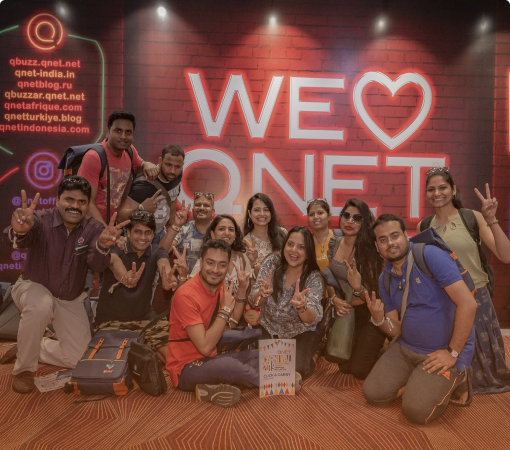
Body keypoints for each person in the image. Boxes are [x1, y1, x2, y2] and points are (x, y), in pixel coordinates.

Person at [2, 176, 127, 394]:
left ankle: (31, 346)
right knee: (41, 305)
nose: (75, 206)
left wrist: (102, 247)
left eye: (81, 202)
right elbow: (18, 238)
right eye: (69, 199)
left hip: (69, 298)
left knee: (78, 357)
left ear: (87, 205)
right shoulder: (40, 220)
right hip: (33, 286)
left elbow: (97, 265)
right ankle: (24, 370)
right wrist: (18, 231)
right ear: (57, 200)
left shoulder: (94, 228)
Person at [363, 214, 477, 425]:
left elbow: (468, 304)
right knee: (373, 393)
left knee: (417, 412)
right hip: (405, 347)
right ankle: (418, 380)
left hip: (443, 351)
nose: (390, 243)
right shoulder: (385, 278)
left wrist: (452, 353)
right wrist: (379, 320)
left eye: (395, 236)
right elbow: (395, 328)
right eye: (383, 239)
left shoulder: (430, 256)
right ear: (377, 247)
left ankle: (461, 375)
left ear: (406, 236)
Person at [418, 168, 510, 394]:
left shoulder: (471, 217)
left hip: (475, 296)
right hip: (444, 301)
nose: (437, 193)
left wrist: (492, 220)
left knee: (484, 365)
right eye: (431, 189)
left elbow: (505, 256)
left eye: (443, 187)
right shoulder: (424, 226)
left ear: (453, 190)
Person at [166, 239, 256, 407]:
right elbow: (205, 347)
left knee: (255, 353)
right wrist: (224, 311)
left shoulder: (220, 286)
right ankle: (274, 381)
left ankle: (211, 387)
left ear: (227, 267)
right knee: (230, 366)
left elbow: (232, 323)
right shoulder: (186, 295)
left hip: (210, 356)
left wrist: (242, 289)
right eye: (210, 263)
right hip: (185, 369)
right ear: (201, 263)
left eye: (222, 265)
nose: (215, 270)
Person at [95, 211, 178, 360]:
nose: (142, 237)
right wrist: (124, 276)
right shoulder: (116, 247)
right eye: (137, 232)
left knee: (172, 357)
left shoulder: (156, 252)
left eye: (148, 233)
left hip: (145, 319)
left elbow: (164, 264)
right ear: (128, 232)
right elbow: (114, 262)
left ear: (153, 235)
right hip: (111, 321)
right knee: (115, 362)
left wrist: (167, 278)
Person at [248, 226, 325, 379]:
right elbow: (253, 301)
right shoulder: (271, 262)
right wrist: (262, 294)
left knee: (295, 369)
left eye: (301, 247)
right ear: (284, 245)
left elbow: (312, 317)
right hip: (268, 326)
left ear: (308, 252)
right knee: (260, 366)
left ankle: (315, 353)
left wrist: (302, 308)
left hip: (299, 332)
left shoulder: (314, 277)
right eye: (290, 244)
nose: (294, 250)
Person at [325, 198, 385, 380]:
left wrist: (357, 288)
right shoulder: (334, 242)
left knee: (359, 371)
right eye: (346, 215)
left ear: (364, 222)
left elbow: (374, 294)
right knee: (345, 367)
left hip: (369, 314)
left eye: (357, 218)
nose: (350, 221)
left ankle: (389, 353)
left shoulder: (370, 250)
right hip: (347, 312)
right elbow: (329, 278)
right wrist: (334, 299)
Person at [77, 110, 159, 225]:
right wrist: (106, 231)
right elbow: (87, 203)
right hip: (91, 225)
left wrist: (146, 164)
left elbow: (140, 165)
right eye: (118, 131)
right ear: (107, 132)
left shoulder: (130, 151)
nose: (123, 136)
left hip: (114, 224)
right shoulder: (94, 157)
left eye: (128, 132)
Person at [186, 215, 252, 327]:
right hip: (209, 320)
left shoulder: (243, 258)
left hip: (237, 318)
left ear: (235, 235)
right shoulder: (205, 261)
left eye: (231, 230)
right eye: (221, 229)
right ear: (212, 234)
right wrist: (182, 276)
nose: (227, 233)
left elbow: (248, 291)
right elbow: (190, 293)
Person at [118, 144, 185, 243]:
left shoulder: (176, 177)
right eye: (168, 165)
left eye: (177, 167)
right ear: (160, 161)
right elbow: (120, 217)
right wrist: (141, 208)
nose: (172, 171)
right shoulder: (145, 183)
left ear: (182, 164)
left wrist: (170, 227)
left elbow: (172, 200)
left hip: (159, 234)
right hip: (139, 238)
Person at [159, 192, 215, 273]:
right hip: (184, 279)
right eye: (198, 205)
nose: (202, 208)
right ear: (193, 210)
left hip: (211, 278)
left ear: (213, 212)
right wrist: (176, 225)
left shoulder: (218, 230)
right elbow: (162, 251)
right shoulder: (183, 229)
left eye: (206, 205)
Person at [242, 193, 287, 279]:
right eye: (257, 210)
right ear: (249, 213)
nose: (262, 214)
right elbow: (246, 278)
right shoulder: (245, 243)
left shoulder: (282, 233)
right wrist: (253, 263)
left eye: (266, 210)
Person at [307, 198, 340, 270]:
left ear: (329, 216)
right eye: (311, 214)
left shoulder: (340, 236)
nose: (315, 217)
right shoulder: (306, 242)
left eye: (320, 213)